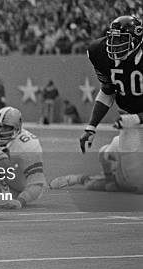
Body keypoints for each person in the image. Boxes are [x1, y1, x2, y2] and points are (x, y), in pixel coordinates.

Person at [76, 15, 143, 190]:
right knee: (136, 184)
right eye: (113, 38)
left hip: (134, 120)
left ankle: (115, 154)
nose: (115, 43)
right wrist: (91, 127)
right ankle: (110, 153)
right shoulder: (99, 52)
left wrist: (137, 118)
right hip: (133, 123)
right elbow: (108, 90)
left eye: (121, 39)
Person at [0, 106, 47, 208]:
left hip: (18, 185)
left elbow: (37, 184)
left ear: (16, 128)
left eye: (5, 127)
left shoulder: (28, 145)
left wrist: (20, 201)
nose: (0, 131)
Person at [50, 135, 142, 193]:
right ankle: (76, 179)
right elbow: (102, 152)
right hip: (120, 181)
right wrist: (109, 178)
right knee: (92, 185)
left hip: (132, 183)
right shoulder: (119, 141)